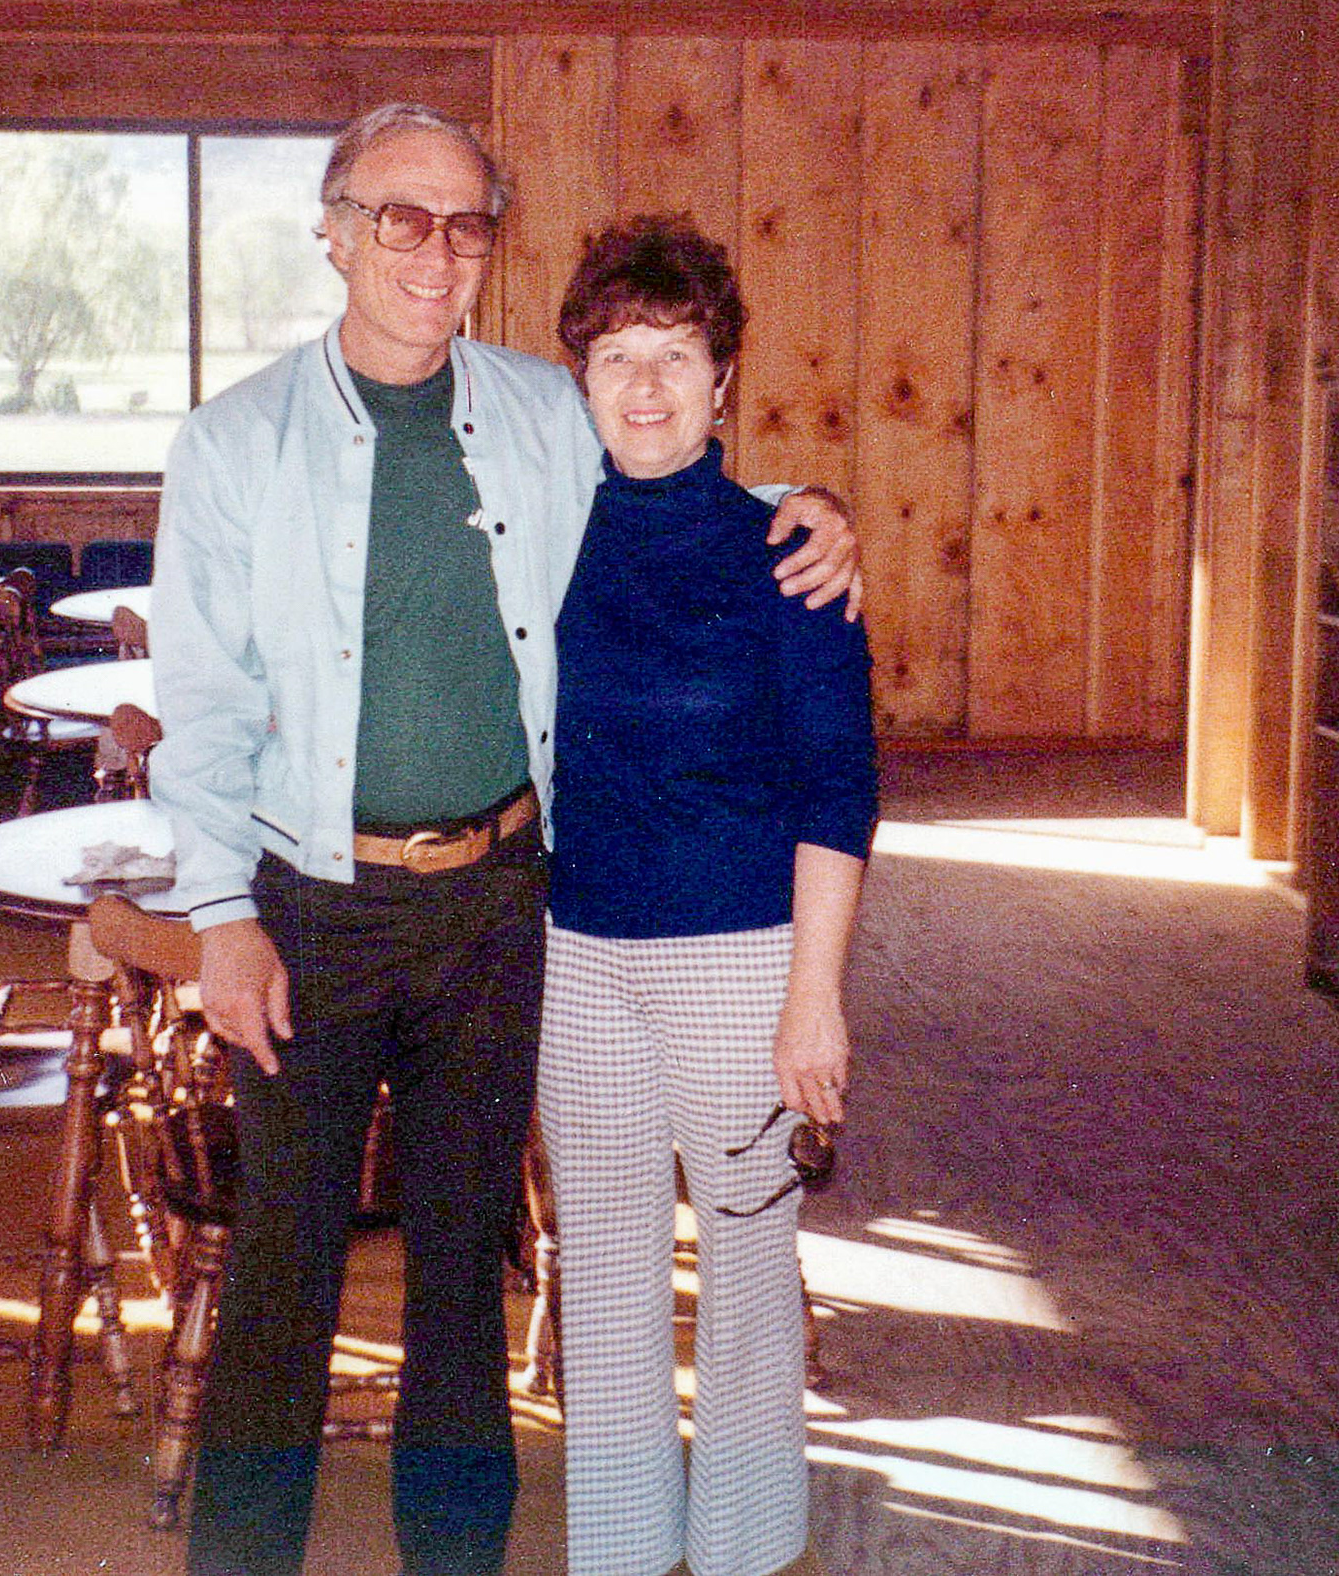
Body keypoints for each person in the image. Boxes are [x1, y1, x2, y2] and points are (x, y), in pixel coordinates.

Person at [147, 102, 860, 1576]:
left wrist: (809, 507)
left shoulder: (539, 412)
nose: (435, 252)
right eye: (400, 217)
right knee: (283, 1278)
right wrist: (219, 914)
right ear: (335, 230)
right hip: (311, 908)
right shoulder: (233, 443)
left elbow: (680, 478)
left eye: (467, 224)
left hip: (497, 907)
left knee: (467, 1274)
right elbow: (203, 701)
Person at [539, 218, 878, 1576]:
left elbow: (839, 789)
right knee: (606, 1271)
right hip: (576, 955)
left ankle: (743, 1550)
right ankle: (623, 1550)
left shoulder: (787, 553)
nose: (643, 385)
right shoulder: (546, 539)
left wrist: (815, 1000)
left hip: (742, 961)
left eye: (674, 354)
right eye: (616, 354)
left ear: (722, 377)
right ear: (578, 375)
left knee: (746, 1274)